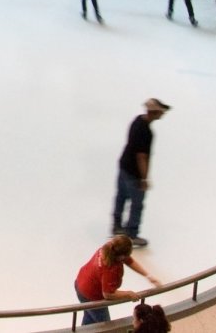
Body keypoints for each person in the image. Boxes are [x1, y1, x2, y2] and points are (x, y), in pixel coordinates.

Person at [110, 99, 170, 247]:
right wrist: (144, 178)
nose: (162, 114)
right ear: (154, 112)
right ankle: (132, 234)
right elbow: (142, 156)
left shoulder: (137, 121)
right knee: (137, 204)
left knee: (121, 196)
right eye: (160, 111)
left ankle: (117, 225)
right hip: (134, 173)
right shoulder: (147, 132)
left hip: (124, 164)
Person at [75, 235, 162, 325]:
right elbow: (108, 294)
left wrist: (147, 275)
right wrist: (128, 294)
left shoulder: (111, 247)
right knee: (107, 327)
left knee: (90, 319)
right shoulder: (110, 268)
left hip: (80, 282)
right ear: (121, 257)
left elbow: (129, 261)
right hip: (90, 295)